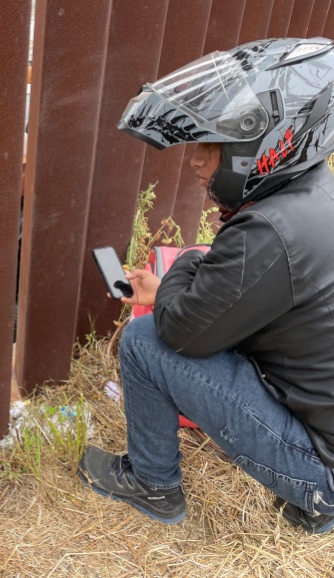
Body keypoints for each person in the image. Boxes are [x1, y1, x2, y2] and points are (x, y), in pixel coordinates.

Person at [78, 38, 334, 535]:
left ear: (267, 148)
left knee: (142, 341)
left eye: (214, 146)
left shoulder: (267, 233)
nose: (195, 161)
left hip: (321, 467)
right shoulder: (311, 191)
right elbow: (232, 284)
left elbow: (178, 333)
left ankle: (153, 484)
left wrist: (182, 270)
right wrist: (189, 271)